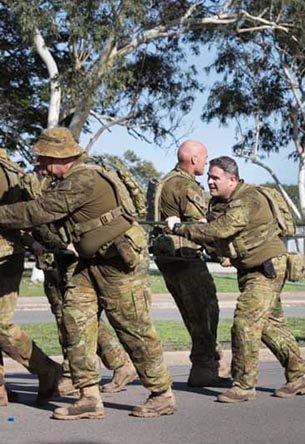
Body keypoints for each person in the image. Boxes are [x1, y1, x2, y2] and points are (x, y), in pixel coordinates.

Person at [0, 127, 174, 420]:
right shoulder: (65, 181)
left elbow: (38, 212)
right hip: (89, 262)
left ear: (61, 157)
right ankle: (89, 397)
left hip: (118, 263)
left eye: (43, 160)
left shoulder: (83, 179)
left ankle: (161, 393)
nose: (38, 166)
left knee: (133, 328)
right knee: (74, 322)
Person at [166, 156, 305, 403]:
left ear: (232, 180)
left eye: (215, 178)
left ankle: (243, 385)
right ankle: (297, 377)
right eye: (209, 176)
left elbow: (220, 231)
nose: (209, 181)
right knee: (269, 326)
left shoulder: (248, 200)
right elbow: (218, 231)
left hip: (266, 270)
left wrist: (180, 227)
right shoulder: (225, 201)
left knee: (245, 323)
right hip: (252, 269)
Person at [27, 168, 137, 396]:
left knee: (72, 315)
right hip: (53, 257)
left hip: (64, 255)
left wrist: (56, 244)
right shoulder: (38, 183)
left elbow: (43, 222)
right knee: (69, 316)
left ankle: (113, 365)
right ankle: (106, 366)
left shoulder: (50, 185)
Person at [151, 140, 227, 387]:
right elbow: (202, 228)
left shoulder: (165, 181)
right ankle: (205, 368)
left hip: (168, 258)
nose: (206, 162)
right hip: (185, 257)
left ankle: (210, 364)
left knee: (192, 314)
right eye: (205, 157)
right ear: (193, 159)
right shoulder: (184, 186)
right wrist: (223, 253)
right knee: (206, 311)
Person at [0, 148, 61, 407]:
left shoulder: (6, 172)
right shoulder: (12, 169)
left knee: (1, 325)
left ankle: (47, 369)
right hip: (9, 251)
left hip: (4, 255)